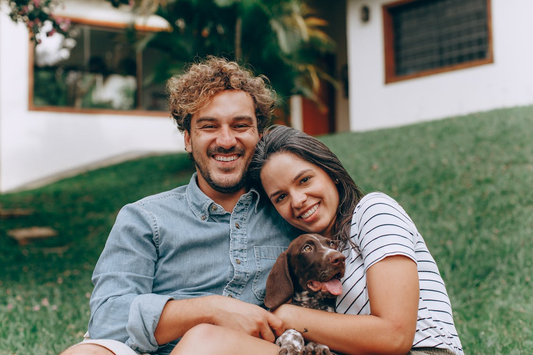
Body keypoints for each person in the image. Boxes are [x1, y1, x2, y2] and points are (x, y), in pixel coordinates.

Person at [61, 57, 300, 355]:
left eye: (240, 125)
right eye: (209, 126)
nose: (226, 140)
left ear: (260, 136)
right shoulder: (144, 219)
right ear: (188, 139)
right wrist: (210, 309)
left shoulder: (288, 212)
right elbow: (108, 319)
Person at [172, 125, 464, 355]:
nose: (298, 201)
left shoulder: (373, 211)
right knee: (207, 339)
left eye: (304, 180)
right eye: (281, 197)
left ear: (331, 173)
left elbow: (395, 336)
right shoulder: (312, 253)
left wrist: (286, 315)